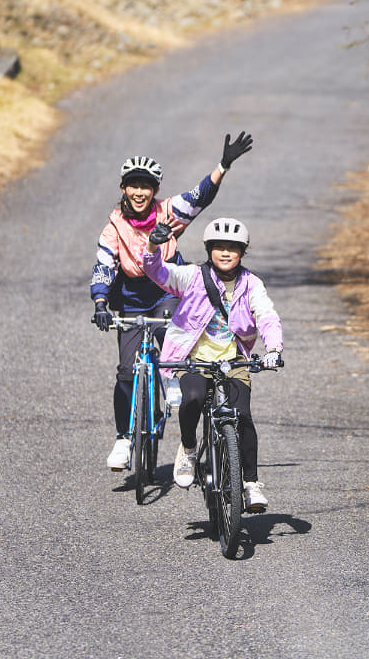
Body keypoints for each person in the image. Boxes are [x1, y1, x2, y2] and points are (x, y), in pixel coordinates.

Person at [90, 133, 253, 472]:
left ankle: (172, 384)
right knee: (125, 370)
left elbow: (199, 197)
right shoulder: (113, 227)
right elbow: (104, 265)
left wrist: (223, 165)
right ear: (123, 188)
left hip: (167, 293)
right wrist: (101, 302)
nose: (139, 192)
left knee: (172, 349)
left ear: (155, 189)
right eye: (133, 185)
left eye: (146, 186)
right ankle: (123, 438)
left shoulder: (168, 212)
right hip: (132, 300)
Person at [142, 216, 283, 513]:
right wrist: (154, 245)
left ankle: (251, 484)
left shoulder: (251, 283)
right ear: (208, 250)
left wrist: (273, 349)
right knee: (192, 399)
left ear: (242, 252)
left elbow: (267, 316)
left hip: (233, 360)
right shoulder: (193, 276)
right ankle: (189, 450)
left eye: (233, 247)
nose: (225, 253)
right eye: (219, 247)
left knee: (242, 416)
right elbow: (156, 271)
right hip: (193, 358)